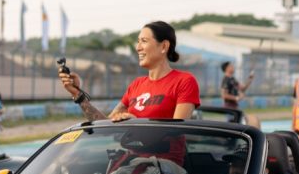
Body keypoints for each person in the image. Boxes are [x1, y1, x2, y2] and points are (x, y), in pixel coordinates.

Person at [58, 21, 200, 124]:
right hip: (129, 156)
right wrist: (78, 95)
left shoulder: (184, 81)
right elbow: (105, 124)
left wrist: (136, 123)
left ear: (164, 46)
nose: (138, 47)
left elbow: (177, 132)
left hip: (164, 158)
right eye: (138, 42)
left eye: (144, 41)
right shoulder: (136, 85)